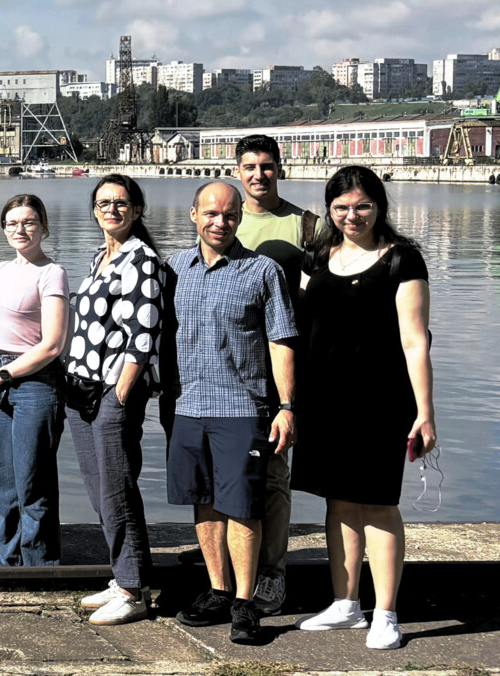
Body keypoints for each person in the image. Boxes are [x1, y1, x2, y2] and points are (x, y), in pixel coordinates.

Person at [291, 166, 436, 651]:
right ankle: (345, 603)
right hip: (323, 400)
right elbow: (303, 328)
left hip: (380, 401)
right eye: (342, 208)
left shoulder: (402, 260)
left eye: (362, 206)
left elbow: (416, 342)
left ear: (380, 206)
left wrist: (424, 411)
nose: (352, 216)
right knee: (337, 501)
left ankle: (386, 611)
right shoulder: (317, 258)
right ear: (330, 210)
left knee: (378, 503)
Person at [166, 181, 299, 647]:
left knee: (243, 505)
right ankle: (218, 590)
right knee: (202, 500)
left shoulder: (262, 271)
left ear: (240, 218)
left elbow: (281, 340)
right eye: (210, 213)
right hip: (187, 404)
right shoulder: (175, 268)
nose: (219, 222)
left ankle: (245, 603)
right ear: (193, 215)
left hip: (242, 407)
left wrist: (286, 407)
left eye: (229, 215)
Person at [66, 174, 164, 626]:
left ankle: (133, 589)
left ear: (138, 209)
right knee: (96, 486)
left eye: (121, 203)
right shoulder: (99, 258)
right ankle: (122, 573)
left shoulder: (141, 261)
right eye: (103, 203)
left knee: (118, 488)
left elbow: (142, 337)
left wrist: (121, 394)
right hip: (82, 390)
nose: (112, 209)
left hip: (112, 391)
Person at [228, 134, 318, 615]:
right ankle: (233, 571)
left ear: (280, 168)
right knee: (230, 475)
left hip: (282, 367)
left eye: (267, 165)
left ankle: (272, 574)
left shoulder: (307, 226)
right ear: (237, 171)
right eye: (249, 166)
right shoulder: (224, 221)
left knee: (275, 478)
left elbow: (331, 290)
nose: (258, 174)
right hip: (230, 371)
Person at [0, 195, 68, 568]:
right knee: (2, 483)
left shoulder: (51, 272)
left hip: (35, 382)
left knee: (33, 482)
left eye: (29, 222)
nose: (20, 230)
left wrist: (4, 374)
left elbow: (53, 344)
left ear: (44, 226)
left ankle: (40, 566)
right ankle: (8, 563)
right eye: (12, 223)